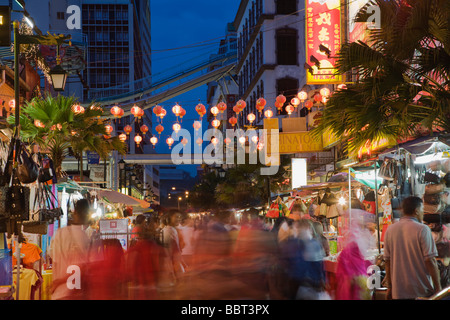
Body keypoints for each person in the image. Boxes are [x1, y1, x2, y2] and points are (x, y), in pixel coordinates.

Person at [383, 196, 442, 300]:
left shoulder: (390, 230)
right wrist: (438, 288)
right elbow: (430, 261)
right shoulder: (423, 229)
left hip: (399, 292)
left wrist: (390, 287)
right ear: (416, 211)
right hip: (420, 292)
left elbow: (387, 261)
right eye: (422, 210)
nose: (423, 213)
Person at [48, 199, 91, 300]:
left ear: (74, 213)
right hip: (77, 293)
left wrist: (58, 282)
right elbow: (84, 268)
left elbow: (54, 258)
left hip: (60, 293)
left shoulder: (60, 234)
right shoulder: (87, 237)